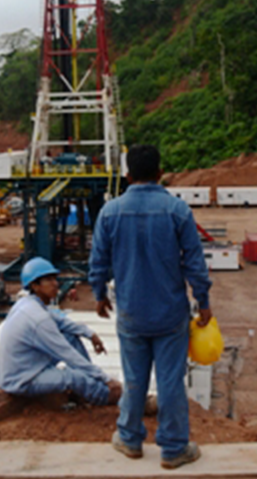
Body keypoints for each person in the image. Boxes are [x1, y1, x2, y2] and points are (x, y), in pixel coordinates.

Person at [89, 145, 212, 469]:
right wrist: (203, 301)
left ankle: (130, 439)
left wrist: (99, 294)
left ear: (127, 176)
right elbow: (195, 263)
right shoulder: (177, 211)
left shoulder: (110, 212)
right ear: (160, 173)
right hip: (170, 314)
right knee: (170, 382)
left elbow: (98, 260)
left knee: (134, 378)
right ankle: (174, 449)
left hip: (131, 314)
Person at [0, 257, 122, 406]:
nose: (55, 283)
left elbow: (61, 322)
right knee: (72, 377)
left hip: (27, 365)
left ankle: (90, 385)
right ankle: (107, 396)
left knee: (70, 337)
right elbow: (67, 353)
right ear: (35, 286)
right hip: (21, 380)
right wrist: (106, 379)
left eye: (54, 278)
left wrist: (90, 334)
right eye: (48, 280)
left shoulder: (27, 304)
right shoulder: (38, 319)